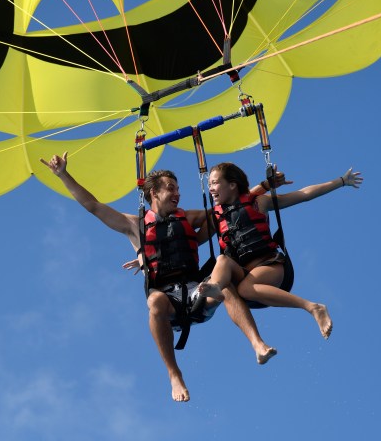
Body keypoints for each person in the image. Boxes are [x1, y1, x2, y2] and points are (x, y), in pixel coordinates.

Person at [40, 152, 283, 402]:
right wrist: (63, 175)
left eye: (178, 189)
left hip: (197, 291)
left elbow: (232, 204)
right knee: (154, 302)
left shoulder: (189, 217)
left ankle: (257, 344)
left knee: (223, 283)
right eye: (171, 188)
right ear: (154, 193)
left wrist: (263, 187)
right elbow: (93, 206)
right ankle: (174, 374)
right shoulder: (136, 226)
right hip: (168, 300)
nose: (177, 194)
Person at [201, 162, 363, 340]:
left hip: (270, 265)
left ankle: (312, 307)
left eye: (215, 183)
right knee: (221, 261)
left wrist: (340, 181)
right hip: (243, 274)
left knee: (245, 289)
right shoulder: (215, 218)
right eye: (209, 184)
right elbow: (191, 237)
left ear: (232, 184)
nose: (211, 188)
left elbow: (303, 195)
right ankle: (215, 288)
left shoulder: (258, 202)